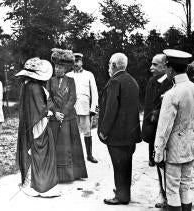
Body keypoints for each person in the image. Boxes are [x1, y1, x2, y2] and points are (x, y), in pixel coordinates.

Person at [154, 49, 194, 211]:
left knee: (172, 189)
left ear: (170, 69)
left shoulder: (172, 94)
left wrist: (158, 152)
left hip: (174, 147)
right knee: (185, 186)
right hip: (191, 145)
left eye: (166, 68)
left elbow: (164, 128)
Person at [98, 53, 141, 205]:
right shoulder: (132, 81)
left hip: (116, 135)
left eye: (109, 64)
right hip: (130, 135)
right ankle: (124, 192)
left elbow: (111, 110)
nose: (108, 67)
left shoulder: (115, 82)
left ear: (114, 65)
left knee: (118, 166)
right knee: (126, 165)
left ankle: (121, 196)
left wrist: (103, 131)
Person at [15, 57, 60, 197]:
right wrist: (49, 112)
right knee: (42, 151)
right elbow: (40, 108)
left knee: (35, 151)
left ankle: (31, 183)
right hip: (37, 124)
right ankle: (41, 187)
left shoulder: (28, 85)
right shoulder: (34, 87)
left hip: (32, 123)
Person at [47, 48, 88, 183]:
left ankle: (72, 174)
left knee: (69, 145)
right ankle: (56, 174)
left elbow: (72, 98)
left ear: (65, 68)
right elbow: (48, 98)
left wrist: (62, 113)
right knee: (56, 146)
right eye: (56, 66)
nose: (57, 69)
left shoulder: (70, 81)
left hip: (68, 117)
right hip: (54, 118)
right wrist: (54, 112)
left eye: (60, 67)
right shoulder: (50, 81)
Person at [141, 53, 172, 208]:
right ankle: (163, 196)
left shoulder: (172, 83)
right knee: (159, 168)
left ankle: (170, 199)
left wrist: (157, 114)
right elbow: (147, 108)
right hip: (153, 133)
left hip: (167, 134)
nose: (151, 68)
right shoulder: (152, 82)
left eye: (155, 64)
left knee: (169, 169)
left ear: (165, 66)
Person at [66, 53, 99, 163]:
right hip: (72, 109)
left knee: (87, 132)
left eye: (78, 61)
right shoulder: (68, 75)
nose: (76, 63)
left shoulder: (89, 74)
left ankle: (89, 155)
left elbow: (94, 92)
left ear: (82, 62)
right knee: (72, 133)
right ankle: (74, 157)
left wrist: (93, 108)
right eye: (74, 61)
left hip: (85, 108)